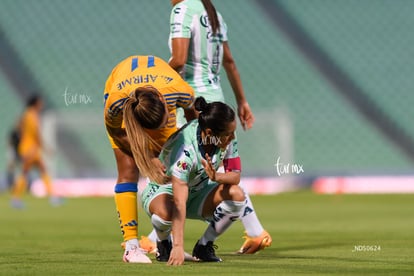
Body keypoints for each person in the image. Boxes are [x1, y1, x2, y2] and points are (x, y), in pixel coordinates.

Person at [155, 0, 270, 254]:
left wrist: (153, 79)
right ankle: (254, 230)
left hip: (192, 101)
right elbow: (229, 61)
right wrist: (241, 100)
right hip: (215, 98)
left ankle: (159, 235)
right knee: (215, 170)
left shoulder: (182, 10)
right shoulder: (213, 13)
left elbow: (179, 59)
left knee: (181, 168)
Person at [103, 55, 195, 263]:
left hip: (157, 83)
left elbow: (193, 118)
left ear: (165, 102)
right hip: (120, 88)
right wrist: (147, 156)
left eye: (163, 122)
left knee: (172, 167)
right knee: (128, 170)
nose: (161, 128)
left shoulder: (180, 92)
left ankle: (166, 243)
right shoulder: (117, 103)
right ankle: (131, 247)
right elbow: (118, 133)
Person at [141, 97, 246, 265]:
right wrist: (178, 246)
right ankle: (164, 243)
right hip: (164, 191)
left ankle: (204, 246)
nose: (232, 137)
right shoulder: (185, 150)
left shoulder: (227, 138)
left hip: (197, 192)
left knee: (237, 195)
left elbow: (235, 176)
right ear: (210, 133)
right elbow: (178, 201)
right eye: (228, 134)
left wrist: (215, 177)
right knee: (165, 214)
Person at [11, 95, 58, 208]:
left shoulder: (26, 114)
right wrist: (45, 148)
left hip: (28, 147)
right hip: (30, 148)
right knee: (25, 172)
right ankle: (15, 198)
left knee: (42, 169)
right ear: (36, 103)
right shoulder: (32, 115)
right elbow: (36, 133)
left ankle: (52, 196)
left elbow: (18, 127)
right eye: (40, 103)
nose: (42, 105)